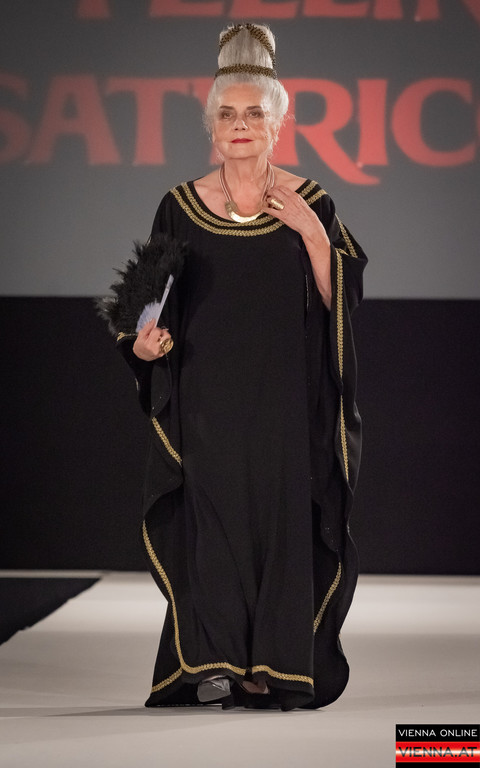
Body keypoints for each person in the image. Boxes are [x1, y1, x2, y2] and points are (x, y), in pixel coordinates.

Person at [114, 23, 367, 711]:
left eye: (254, 114)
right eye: (227, 114)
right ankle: (216, 660)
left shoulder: (312, 202)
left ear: (277, 123)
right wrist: (143, 344)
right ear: (211, 125)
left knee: (280, 529)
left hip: (285, 403)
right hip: (206, 401)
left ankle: (271, 667)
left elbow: (340, 300)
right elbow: (141, 307)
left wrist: (312, 235)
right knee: (216, 526)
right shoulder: (180, 205)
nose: (240, 126)